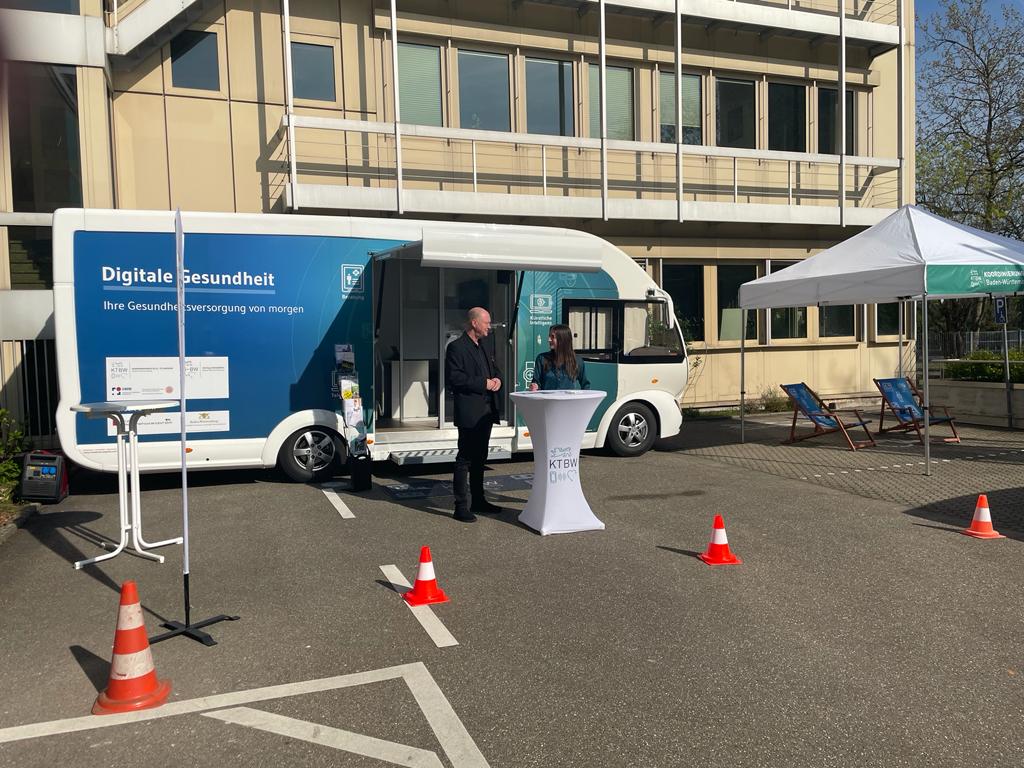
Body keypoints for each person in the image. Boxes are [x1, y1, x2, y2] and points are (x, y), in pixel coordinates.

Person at [445, 307, 504, 522]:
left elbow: (495, 369)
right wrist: (484, 383)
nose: (490, 326)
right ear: (474, 323)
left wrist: (497, 379)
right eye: (487, 322)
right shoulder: (456, 348)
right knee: (465, 459)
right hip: (470, 412)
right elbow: (455, 379)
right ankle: (460, 506)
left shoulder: (485, 345)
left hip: (486, 412)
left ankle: (479, 500)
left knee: (480, 458)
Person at [529, 324, 591, 391]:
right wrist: (534, 386)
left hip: (568, 401)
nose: (549, 340)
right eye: (549, 336)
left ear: (562, 339)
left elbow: (585, 385)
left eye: (552, 337)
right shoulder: (541, 358)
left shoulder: (577, 361)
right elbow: (536, 382)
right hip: (547, 401)